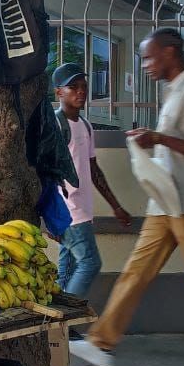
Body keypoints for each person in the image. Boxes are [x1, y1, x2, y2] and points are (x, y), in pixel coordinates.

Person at [71, 28, 184, 366]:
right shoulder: (174, 92)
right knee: (135, 274)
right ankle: (100, 343)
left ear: (170, 52)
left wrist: (158, 138)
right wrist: (152, 141)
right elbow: (181, 156)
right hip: (165, 204)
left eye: (149, 57)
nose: (145, 65)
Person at [49, 63, 130, 298]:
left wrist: (115, 206)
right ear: (58, 92)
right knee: (90, 263)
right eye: (73, 87)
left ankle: (59, 327)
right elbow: (44, 171)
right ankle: (68, 319)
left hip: (82, 211)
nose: (80, 92)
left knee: (67, 270)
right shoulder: (55, 125)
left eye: (83, 87)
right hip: (69, 212)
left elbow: (94, 170)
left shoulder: (85, 125)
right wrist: (49, 217)